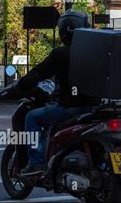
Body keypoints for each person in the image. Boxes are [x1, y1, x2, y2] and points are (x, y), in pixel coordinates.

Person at [14, 10, 98, 176]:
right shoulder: (95, 52)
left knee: (32, 117)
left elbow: (39, 72)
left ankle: (36, 163)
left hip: (70, 108)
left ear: (63, 31)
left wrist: (22, 84)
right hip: (96, 108)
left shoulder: (61, 53)